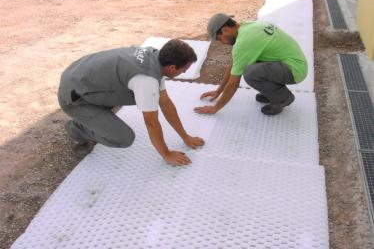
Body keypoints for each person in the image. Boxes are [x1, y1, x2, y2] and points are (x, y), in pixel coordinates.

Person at [58, 39, 204, 166]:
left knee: (141, 95)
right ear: (172, 67)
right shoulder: (146, 80)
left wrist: (185, 136)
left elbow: (165, 102)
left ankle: (95, 115)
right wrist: (166, 154)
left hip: (79, 78)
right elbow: (152, 122)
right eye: (184, 69)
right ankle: (76, 129)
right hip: (74, 98)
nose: (184, 73)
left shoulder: (154, 57)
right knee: (123, 138)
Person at [194, 13, 308, 116]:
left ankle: (283, 98)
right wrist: (219, 91)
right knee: (249, 65)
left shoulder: (243, 42)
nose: (222, 43)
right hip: (293, 63)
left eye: (220, 39)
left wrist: (215, 108)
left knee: (250, 73)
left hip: (295, 70)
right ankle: (273, 93)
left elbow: (233, 84)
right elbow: (234, 64)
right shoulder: (248, 26)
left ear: (225, 30)